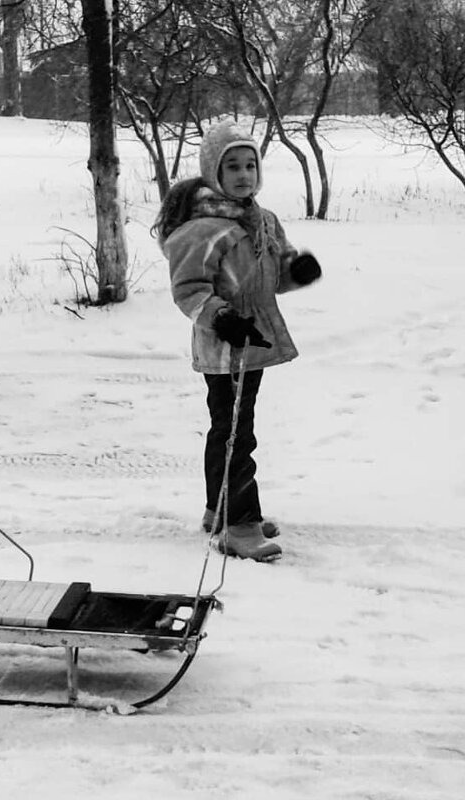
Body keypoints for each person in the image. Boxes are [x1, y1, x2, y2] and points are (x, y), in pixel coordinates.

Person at [151, 121, 322, 562]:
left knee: (232, 428)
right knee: (235, 436)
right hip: (224, 344)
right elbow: (189, 290)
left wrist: (295, 273)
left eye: (250, 165)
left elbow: (274, 274)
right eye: (232, 167)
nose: (244, 174)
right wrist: (220, 317)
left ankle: (221, 509)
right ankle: (238, 525)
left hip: (255, 339)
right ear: (214, 172)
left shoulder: (261, 220)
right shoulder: (202, 229)